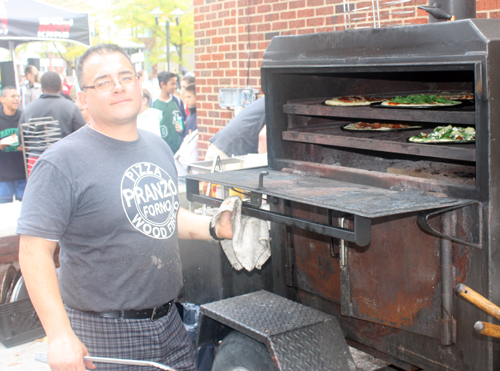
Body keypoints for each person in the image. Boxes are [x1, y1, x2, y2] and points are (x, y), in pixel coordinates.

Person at [17, 43, 232, 371]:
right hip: (103, 332)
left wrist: (215, 227)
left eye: (125, 76)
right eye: (103, 81)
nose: (118, 86)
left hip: (170, 324)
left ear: (139, 83)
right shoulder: (61, 162)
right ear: (83, 97)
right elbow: (34, 252)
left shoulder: (157, 147)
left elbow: (164, 214)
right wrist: (59, 336)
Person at [20, 71, 86, 139]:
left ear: (42, 88)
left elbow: (21, 138)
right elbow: (84, 134)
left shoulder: (28, 109)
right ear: (61, 88)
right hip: (64, 149)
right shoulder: (72, 107)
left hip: (35, 149)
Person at [0, 87, 25, 203]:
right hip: (3, 176)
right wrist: (10, 140)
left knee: (24, 209)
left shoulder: (24, 116)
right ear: (2, 99)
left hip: (22, 175)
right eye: (12, 96)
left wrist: (25, 146)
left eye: (18, 96)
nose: (16, 99)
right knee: (4, 213)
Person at [153, 71, 186, 154]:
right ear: (162, 84)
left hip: (179, 149)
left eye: (176, 83)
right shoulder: (153, 104)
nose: (175, 86)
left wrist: (183, 126)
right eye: (172, 84)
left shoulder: (177, 101)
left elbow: (186, 121)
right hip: (162, 150)